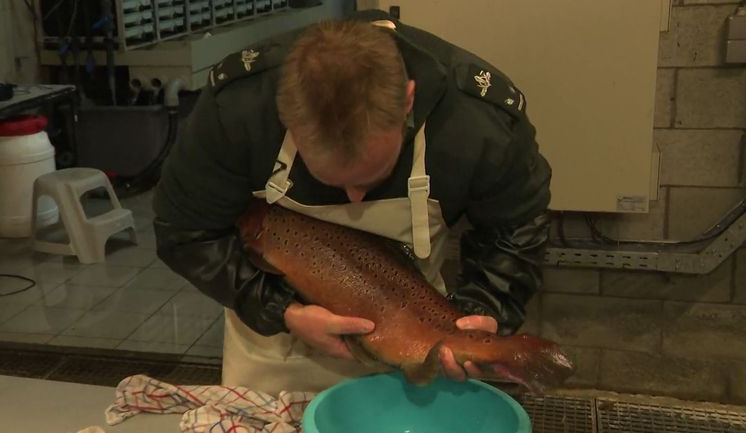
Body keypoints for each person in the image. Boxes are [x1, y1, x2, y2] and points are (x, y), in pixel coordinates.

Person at [152, 8, 552, 396]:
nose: (355, 199)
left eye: (371, 176)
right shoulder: (238, 110)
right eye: (332, 180)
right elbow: (186, 232)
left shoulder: (481, 124)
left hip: (410, 338)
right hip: (273, 349)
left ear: (408, 101)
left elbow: (514, 232)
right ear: (285, 118)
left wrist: (482, 309)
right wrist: (283, 311)